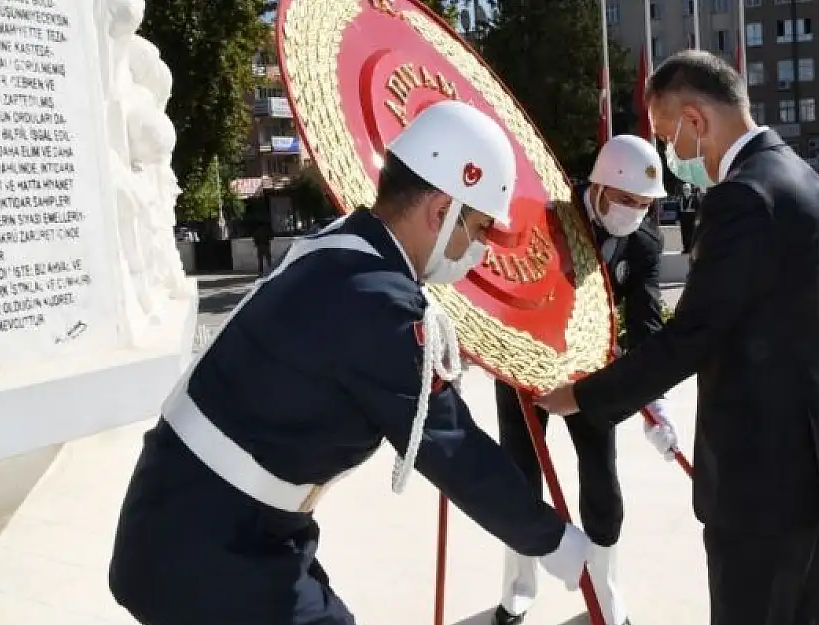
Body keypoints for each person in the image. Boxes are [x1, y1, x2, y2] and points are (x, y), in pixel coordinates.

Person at [107, 101, 592, 625]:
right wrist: (553, 538)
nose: (476, 250)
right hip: (208, 546)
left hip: (212, 519)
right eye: (475, 229)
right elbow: (451, 446)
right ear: (439, 212)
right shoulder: (376, 299)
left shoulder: (350, 245)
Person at [536, 50, 819, 625]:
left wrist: (582, 398)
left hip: (764, 482)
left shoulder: (742, 197)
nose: (674, 155)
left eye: (669, 137)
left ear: (695, 120)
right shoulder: (802, 177)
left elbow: (691, 335)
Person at [491, 134, 679, 625]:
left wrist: (654, 403)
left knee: (602, 482)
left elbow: (645, 327)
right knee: (520, 478)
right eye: (626, 200)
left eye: (644, 204)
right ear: (598, 186)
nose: (634, 211)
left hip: (590, 374)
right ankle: (519, 586)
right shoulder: (547, 211)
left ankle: (602, 587)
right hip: (524, 364)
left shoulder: (643, 245)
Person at [679, 181, 698, 255]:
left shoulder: (694, 198)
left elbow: (698, 208)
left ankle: (691, 248)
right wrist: (677, 219)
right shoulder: (681, 198)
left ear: (690, 190)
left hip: (691, 219)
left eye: (687, 189)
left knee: (691, 234)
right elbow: (678, 209)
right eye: (685, 189)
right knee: (684, 234)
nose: (686, 191)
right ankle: (685, 248)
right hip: (684, 219)